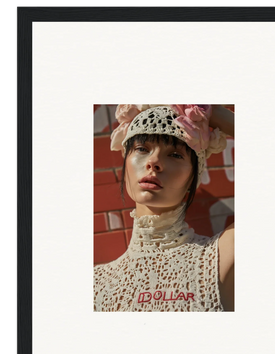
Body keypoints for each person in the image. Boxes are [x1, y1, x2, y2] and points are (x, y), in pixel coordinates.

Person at [93, 105, 234, 311]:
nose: (154, 162)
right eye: (142, 149)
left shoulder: (220, 258)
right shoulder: (96, 284)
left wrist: (210, 111)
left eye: (175, 154)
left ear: (193, 177)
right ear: (125, 165)